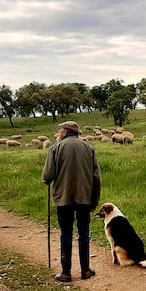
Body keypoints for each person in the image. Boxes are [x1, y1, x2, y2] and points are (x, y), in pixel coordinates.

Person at [42, 121, 101, 282]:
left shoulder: (56, 148)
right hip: (84, 198)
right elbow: (96, 176)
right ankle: (86, 270)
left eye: (61, 130)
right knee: (84, 233)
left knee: (66, 233)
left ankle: (66, 272)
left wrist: (48, 180)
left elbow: (47, 176)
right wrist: (95, 199)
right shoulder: (89, 147)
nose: (60, 132)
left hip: (63, 199)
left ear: (67, 131)